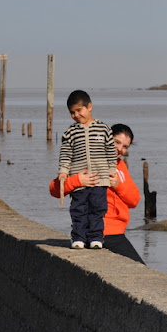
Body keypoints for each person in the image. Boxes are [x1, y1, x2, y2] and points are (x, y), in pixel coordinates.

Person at [50, 123, 145, 264]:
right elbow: (54, 190)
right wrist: (77, 181)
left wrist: (118, 185)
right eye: (117, 142)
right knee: (141, 271)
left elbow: (134, 200)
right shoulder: (86, 160)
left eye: (125, 147)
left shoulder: (120, 166)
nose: (120, 149)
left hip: (115, 232)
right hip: (101, 233)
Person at [58, 90, 117, 250]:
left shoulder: (104, 129)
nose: (76, 115)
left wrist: (112, 169)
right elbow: (65, 153)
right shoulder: (70, 132)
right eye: (72, 112)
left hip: (100, 179)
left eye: (79, 110)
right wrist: (63, 170)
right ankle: (78, 238)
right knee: (78, 210)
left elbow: (111, 151)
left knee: (97, 209)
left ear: (89, 107)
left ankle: (96, 238)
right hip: (79, 180)